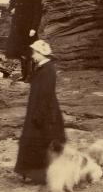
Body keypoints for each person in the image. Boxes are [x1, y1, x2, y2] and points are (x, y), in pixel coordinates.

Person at [13, 40, 66, 184]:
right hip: (38, 110)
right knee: (34, 142)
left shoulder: (48, 70)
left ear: (42, 54)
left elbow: (46, 95)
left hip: (44, 112)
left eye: (34, 53)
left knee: (41, 142)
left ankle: (42, 175)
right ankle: (34, 173)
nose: (32, 56)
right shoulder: (42, 68)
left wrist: (39, 115)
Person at [5, 0, 44, 80]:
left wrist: (34, 28)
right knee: (21, 52)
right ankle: (24, 75)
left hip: (29, 28)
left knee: (31, 52)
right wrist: (11, 10)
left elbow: (37, 13)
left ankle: (32, 76)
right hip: (18, 29)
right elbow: (10, 7)